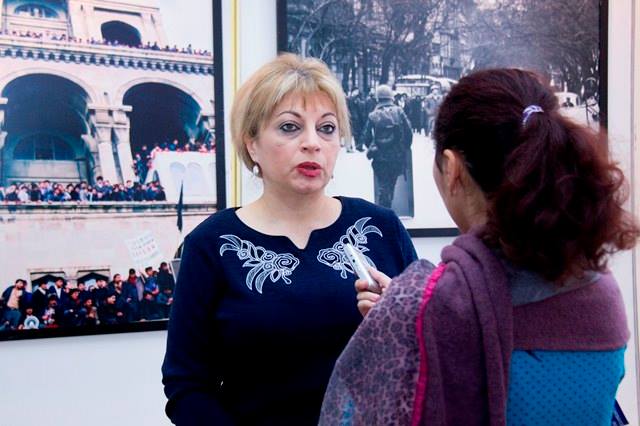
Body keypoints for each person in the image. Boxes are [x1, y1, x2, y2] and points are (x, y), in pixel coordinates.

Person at [320, 68, 638, 424]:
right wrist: (406, 309)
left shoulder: (420, 310)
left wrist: (400, 316)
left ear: (452, 168)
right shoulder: (601, 289)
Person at [162, 54, 417, 426]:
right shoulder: (212, 245)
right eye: (289, 127)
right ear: (252, 143)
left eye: (326, 128)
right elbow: (186, 385)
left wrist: (403, 321)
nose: (312, 143)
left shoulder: (381, 229)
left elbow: (429, 361)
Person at [361, 84, 413, 208]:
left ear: (378, 98)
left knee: (383, 186)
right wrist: (404, 147)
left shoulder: (373, 115)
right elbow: (409, 132)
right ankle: (387, 208)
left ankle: (385, 208)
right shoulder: (399, 111)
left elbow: (366, 137)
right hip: (397, 156)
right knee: (391, 184)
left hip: (380, 158)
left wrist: (374, 147)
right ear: (391, 97)